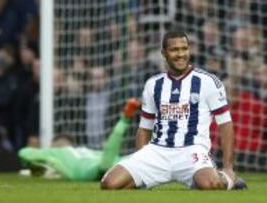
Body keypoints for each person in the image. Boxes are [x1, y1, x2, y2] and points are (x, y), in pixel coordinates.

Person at [100, 31, 247, 190]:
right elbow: (144, 128)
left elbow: (226, 124)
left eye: (184, 49)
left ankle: (228, 179)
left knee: (210, 184)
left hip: (192, 151)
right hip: (158, 151)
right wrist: (140, 163)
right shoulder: (153, 84)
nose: (180, 54)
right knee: (109, 184)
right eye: (174, 50)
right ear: (164, 53)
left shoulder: (208, 82)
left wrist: (228, 167)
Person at [18, 98, 140, 181]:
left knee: (113, 164)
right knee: (106, 166)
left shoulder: (57, 152)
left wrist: (40, 164)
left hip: (102, 164)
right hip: (95, 167)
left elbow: (24, 153)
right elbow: (24, 153)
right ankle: (125, 119)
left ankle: (125, 119)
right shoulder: (61, 153)